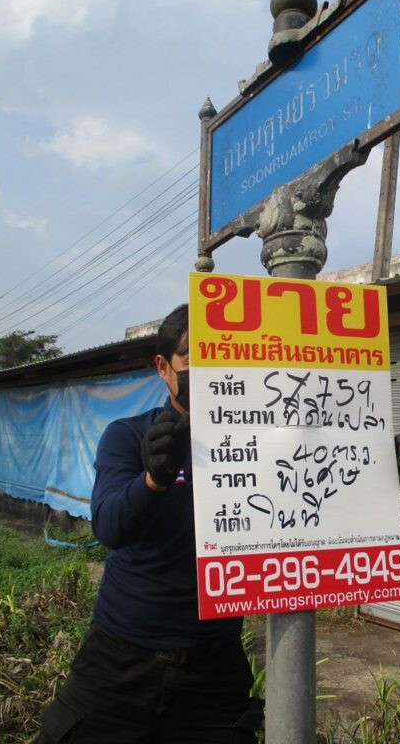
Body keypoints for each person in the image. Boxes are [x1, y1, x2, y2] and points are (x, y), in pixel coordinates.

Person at [33, 303, 263, 744]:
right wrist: (154, 479)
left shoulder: (261, 442)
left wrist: (368, 466)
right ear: (164, 367)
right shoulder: (129, 436)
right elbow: (110, 527)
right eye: (195, 355)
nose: (212, 367)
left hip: (215, 668)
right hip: (120, 661)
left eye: (224, 355)